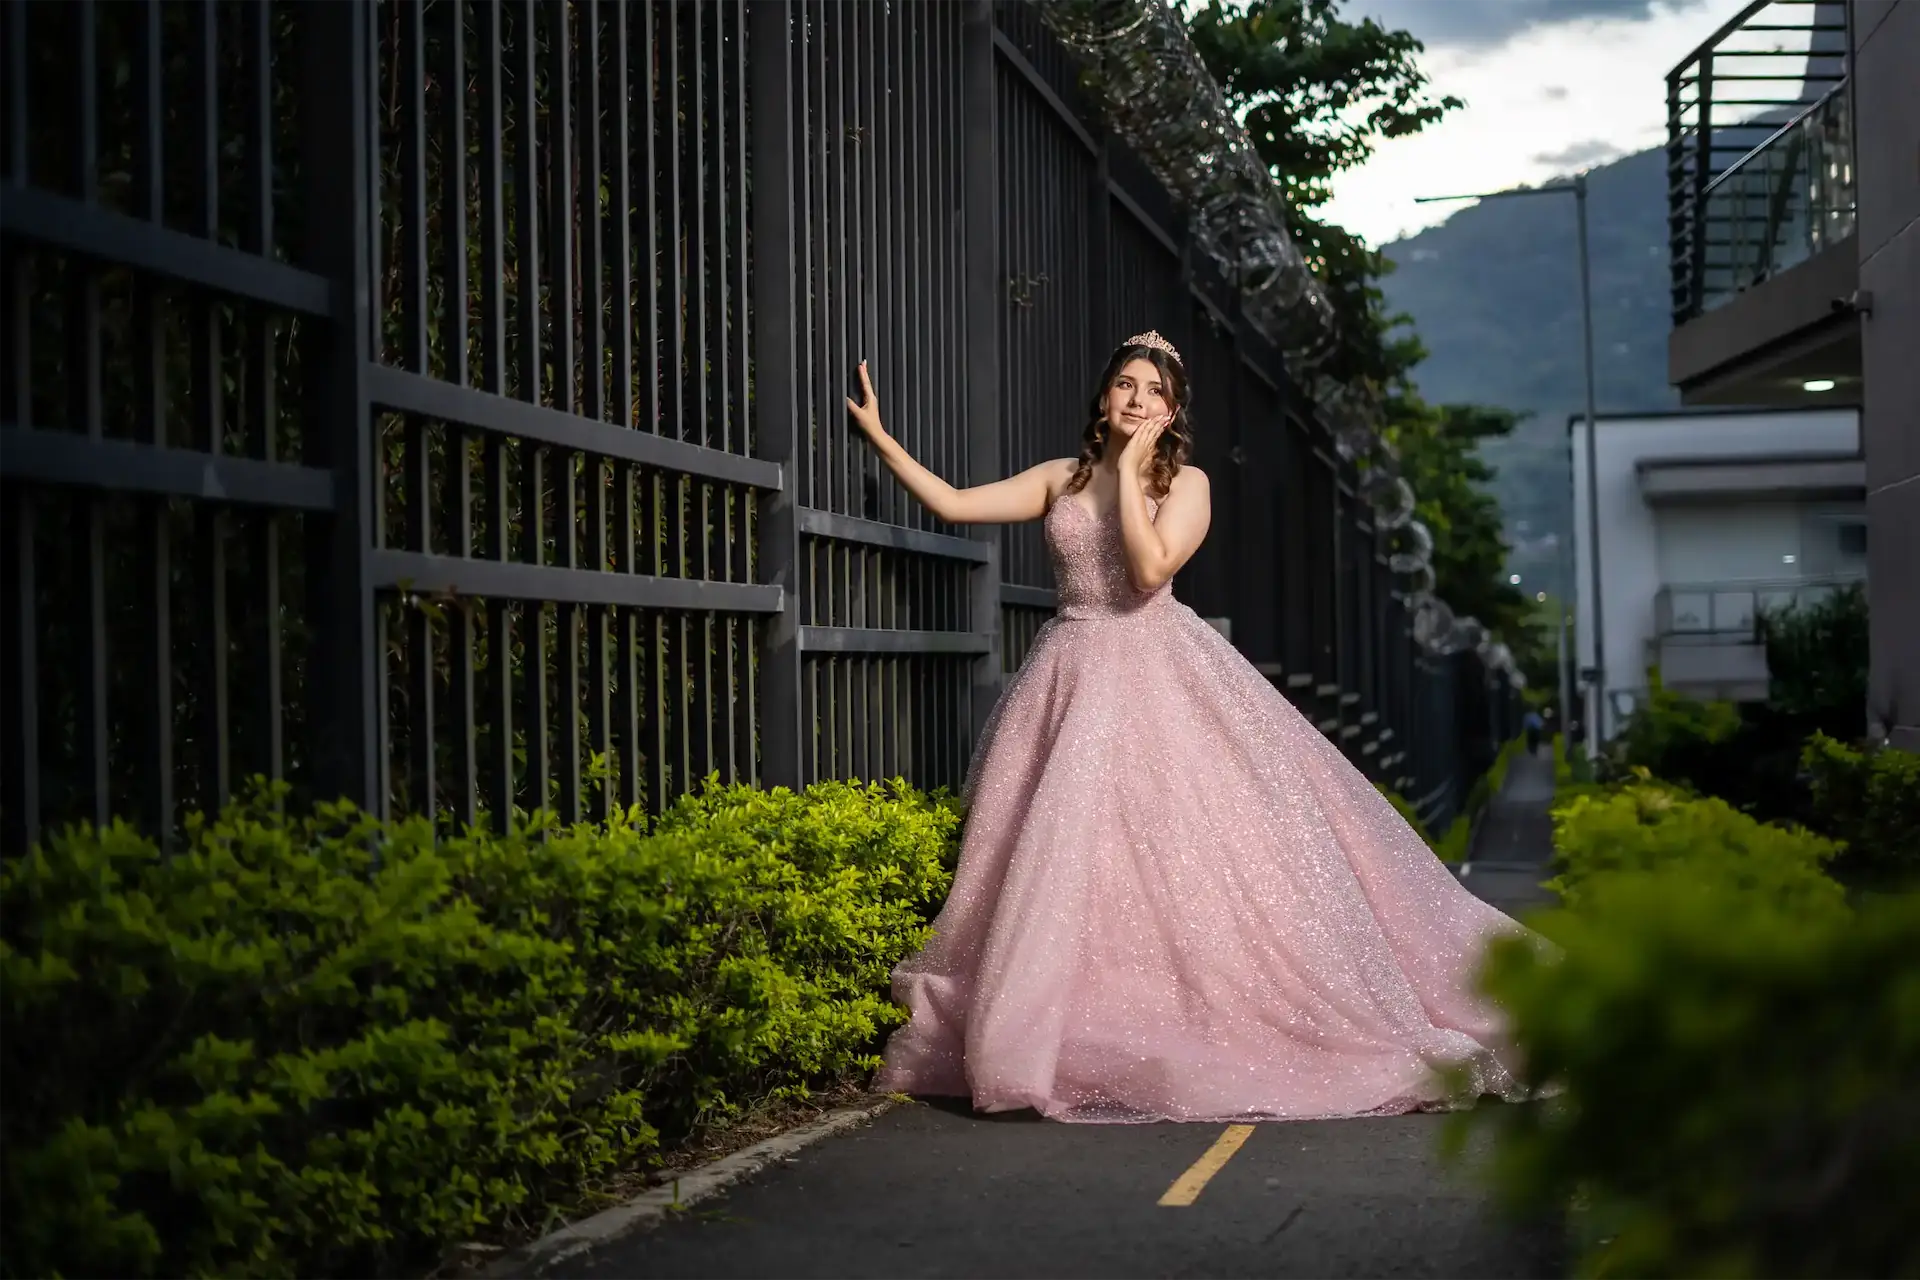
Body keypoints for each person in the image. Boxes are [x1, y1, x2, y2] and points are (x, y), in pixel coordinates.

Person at [852, 332, 1545, 1123]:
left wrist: (1123, 479)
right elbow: (953, 503)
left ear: (1172, 410)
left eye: (1152, 389)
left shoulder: (1188, 486)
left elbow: (1148, 574)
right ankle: (1061, 1026)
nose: (1137, 399)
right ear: (1103, 398)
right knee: (1067, 856)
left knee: (1173, 851)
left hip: (1156, 672)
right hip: (1069, 672)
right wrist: (880, 438)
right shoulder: (1060, 478)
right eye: (1124, 385)